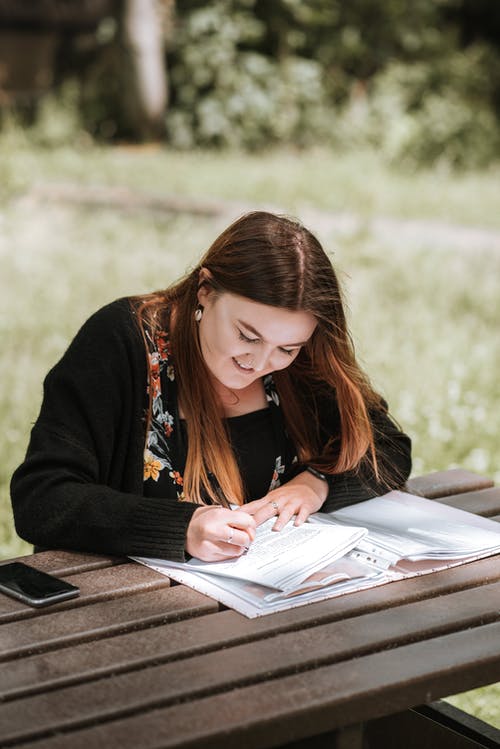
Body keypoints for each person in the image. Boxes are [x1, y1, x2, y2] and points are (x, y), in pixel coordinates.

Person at [10, 211, 411, 563]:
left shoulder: (299, 362)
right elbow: (42, 498)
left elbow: (389, 450)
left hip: (267, 605)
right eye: (246, 335)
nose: (259, 363)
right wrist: (183, 526)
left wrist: (317, 483)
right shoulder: (121, 342)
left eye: (286, 348)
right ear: (205, 291)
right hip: (124, 612)